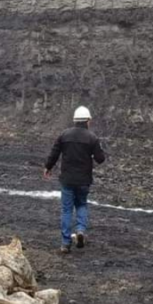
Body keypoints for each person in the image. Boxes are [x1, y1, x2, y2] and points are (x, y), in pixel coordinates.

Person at [43, 106, 107, 253]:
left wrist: (48, 167)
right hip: (84, 180)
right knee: (81, 205)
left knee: (66, 210)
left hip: (67, 179)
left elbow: (54, 153)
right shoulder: (92, 138)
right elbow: (100, 159)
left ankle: (65, 244)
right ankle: (80, 230)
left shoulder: (64, 135)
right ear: (88, 120)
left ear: (74, 120)